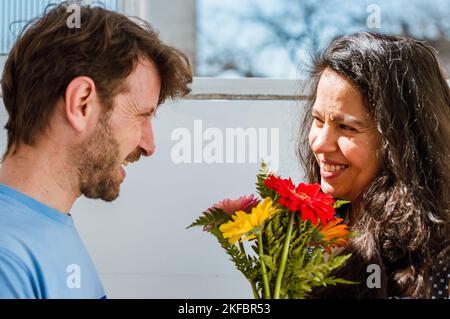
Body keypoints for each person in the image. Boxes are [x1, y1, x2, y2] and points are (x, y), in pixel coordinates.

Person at [0, 2, 192, 298]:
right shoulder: (8, 261)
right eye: (142, 115)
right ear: (82, 103)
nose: (149, 145)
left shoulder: (48, 229)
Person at [298, 32, 450, 298]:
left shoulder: (438, 257)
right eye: (318, 120)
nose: (320, 144)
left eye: (346, 127)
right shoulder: (304, 233)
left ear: (402, 143)